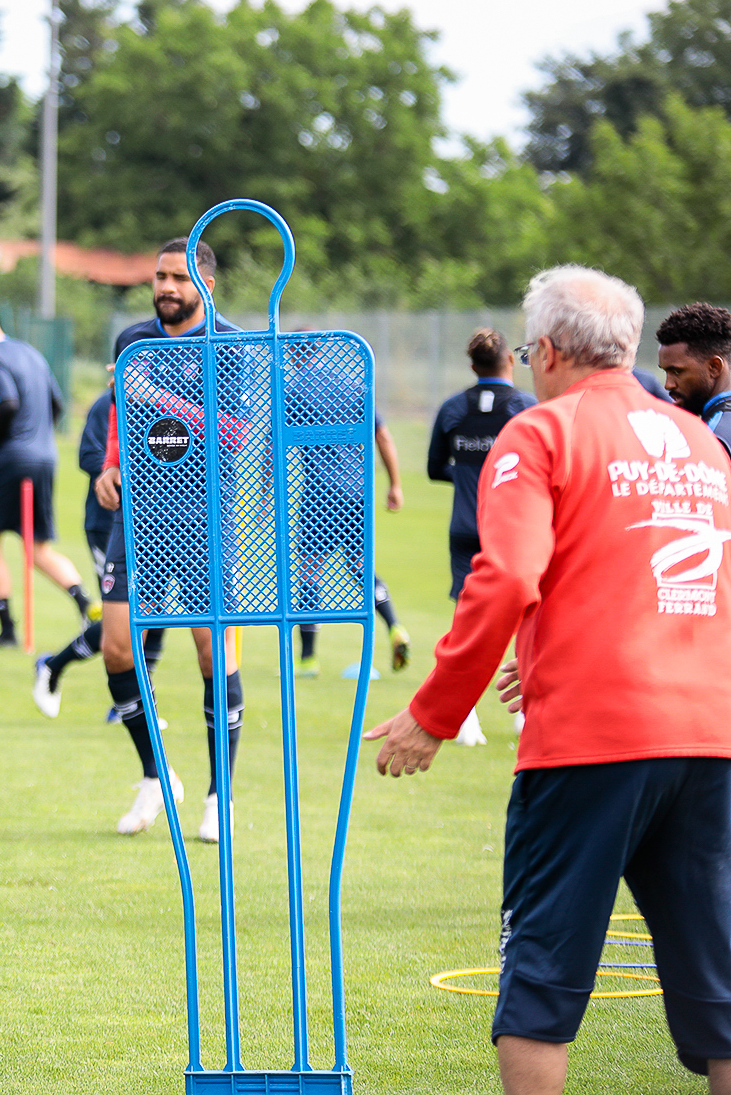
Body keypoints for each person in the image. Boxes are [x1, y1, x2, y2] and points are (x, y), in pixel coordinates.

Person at [366, 265, 731, 1095]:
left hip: (591, 747)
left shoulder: (540, 434)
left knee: (539, 980)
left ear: (552, 350)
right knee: (720, 988)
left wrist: (435, 712)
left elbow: (505, 579)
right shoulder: (704, 442)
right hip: (710, 737)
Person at [92, 237, 246, 842]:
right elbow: (117, 411)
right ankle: (157, 777)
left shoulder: (232, 346)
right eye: (160, 276)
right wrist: (110, 464)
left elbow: (237, 434)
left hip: (207, 519)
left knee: (212, 654)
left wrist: (155, 395)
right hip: (140, 515)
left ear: (205, 284)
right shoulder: (132, 341)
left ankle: (220, 797)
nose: (166, 287)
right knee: (116, 649)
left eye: (179, 278)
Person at [0, 301, 94, 647]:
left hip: (13, 458)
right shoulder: (30, 352)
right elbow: (57, 404)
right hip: (45, 457)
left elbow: (8, 404)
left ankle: (7, 631)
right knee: (37, 548)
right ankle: (88, 608)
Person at [32, 379, 166, 718]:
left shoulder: (163, 402)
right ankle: (53, 665)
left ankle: (135, 705)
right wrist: (127, 472)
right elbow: (89, 455)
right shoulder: (104, 403)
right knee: (124, 616)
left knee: (156, 613)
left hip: (156, 524)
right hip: (109, 524)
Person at [293, 403, 411, 678]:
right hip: (356, 493)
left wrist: (264, 491)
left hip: (319, 494)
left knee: (309, 571)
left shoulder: (297, 387)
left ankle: (308, 660)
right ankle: (394, 626)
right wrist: (395, 485)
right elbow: (382, 436)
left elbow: (276, 439)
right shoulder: (357, 382)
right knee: (360, 567)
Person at [428, 329, 538, 600]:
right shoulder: (527, 407)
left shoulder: (452, 408)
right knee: (514, 609)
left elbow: (435, 469)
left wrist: (469, 473)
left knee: (469, 614)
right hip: (509, 530)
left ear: (474, 366)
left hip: (465, 528)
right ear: (510, 360)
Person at [656, 303, 731, 457]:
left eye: (677, 372)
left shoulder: (715, 439)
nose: (668, 384)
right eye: (665, 372)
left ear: (714, 367)